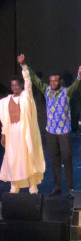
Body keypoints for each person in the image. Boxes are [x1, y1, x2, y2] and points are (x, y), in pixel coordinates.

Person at [20, 54, 81, 198]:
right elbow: (35, 79)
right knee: (55, 160)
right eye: (51, 81)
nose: (53, 83)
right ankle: (57, 187)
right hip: (51, 132)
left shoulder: (66, 92)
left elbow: (76, 85)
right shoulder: (46, 90)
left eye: (55, 80)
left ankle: (70, 188)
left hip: (64, 132)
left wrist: (80, 73)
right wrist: (23, 64)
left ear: (60, 81)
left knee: (67, 159)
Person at [0, 57, 45, 194]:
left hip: (24, 133)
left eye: (17, 85)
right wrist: (3, 135)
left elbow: (28, 83)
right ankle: (14, 186)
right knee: (12, 160)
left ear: (21, 85)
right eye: (12, 86)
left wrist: (23, 66)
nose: (15, 87)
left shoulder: (26, 97)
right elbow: (4, 121)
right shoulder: (5, 101)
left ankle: (33, 185)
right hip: (12, 135)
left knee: (28, 158)